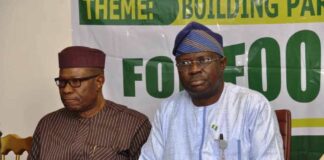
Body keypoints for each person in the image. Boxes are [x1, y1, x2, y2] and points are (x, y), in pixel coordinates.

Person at [139, 22, 284, 159]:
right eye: (185, 63)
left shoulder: (253, 106)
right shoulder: (168, 110)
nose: (194, 69)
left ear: (222, 64)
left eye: (203, 60)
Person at [28, 46, 151, 160]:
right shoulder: (47, 125)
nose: (66, 90)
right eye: (62, 82)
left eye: (76, 81)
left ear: (99, 81)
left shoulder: (133, 125)